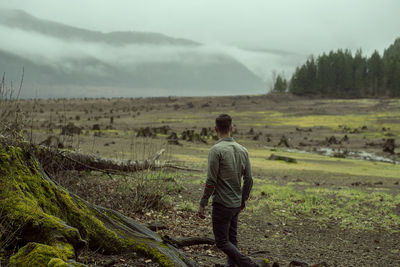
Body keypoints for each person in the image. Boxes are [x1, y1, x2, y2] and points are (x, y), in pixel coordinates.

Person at [198, 114, 258, 267]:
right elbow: (249, 179)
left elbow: (211, 180)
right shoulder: (243, 150)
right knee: (232, 241)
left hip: (222, 204)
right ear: (232, 128)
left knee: (222, 242)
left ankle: (249, 265)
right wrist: (242, 200)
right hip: (235, 204)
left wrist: (202, 203)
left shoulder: (216, 150)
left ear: (215, 129)